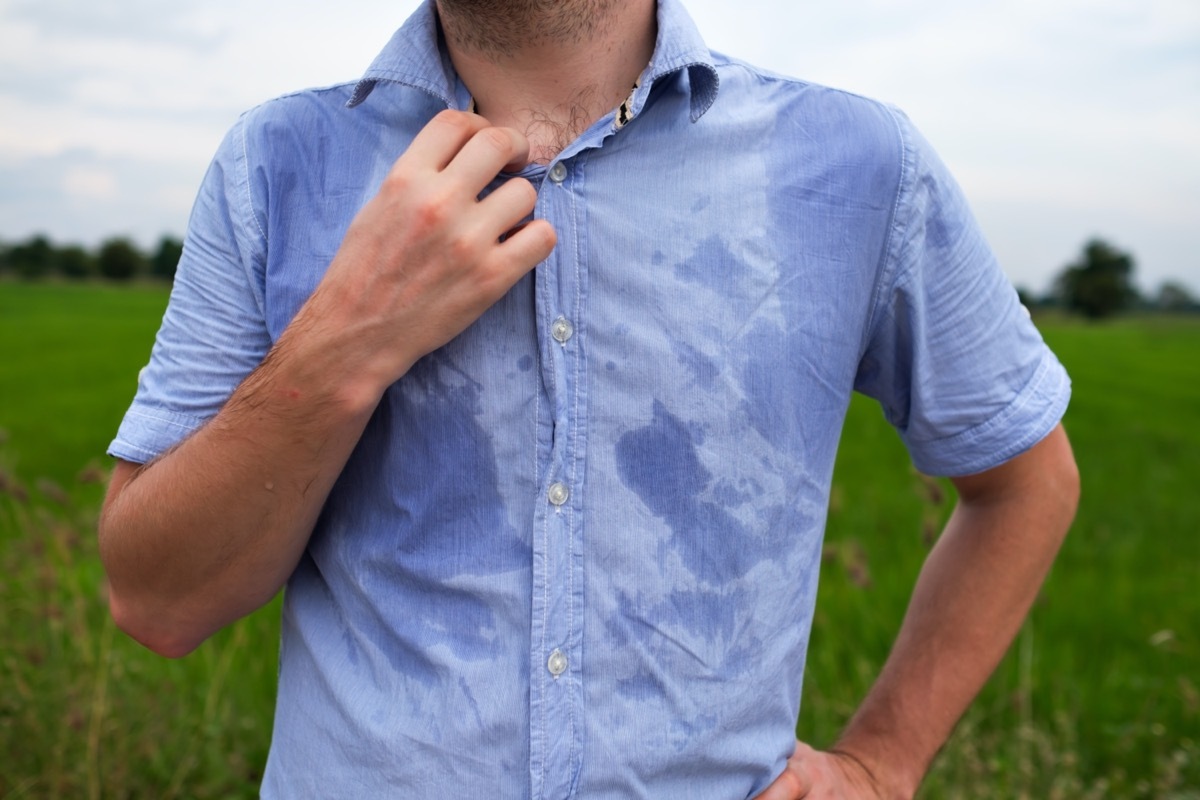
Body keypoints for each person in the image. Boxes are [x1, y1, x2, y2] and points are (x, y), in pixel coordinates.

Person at [98, 0, 1080, 797]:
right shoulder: (276, 162)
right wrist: (346, 338)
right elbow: (158, 597)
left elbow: (1025, 480)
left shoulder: (861, 164)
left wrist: (881, 760)